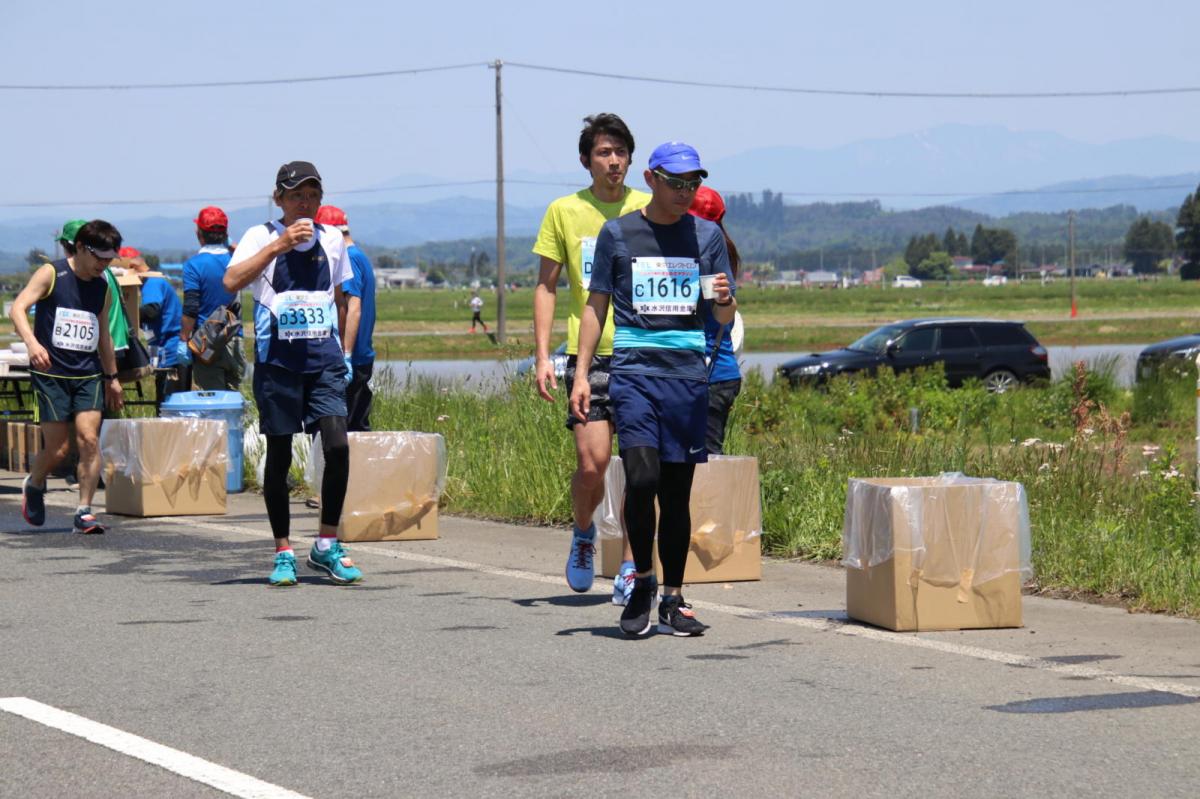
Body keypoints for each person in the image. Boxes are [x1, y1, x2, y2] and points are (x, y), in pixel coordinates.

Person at [571, 141, 737, 637]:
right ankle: (642, 579)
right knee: (641, 480)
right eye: (676, 183)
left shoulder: (706, 237)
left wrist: (725, 302)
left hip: (686, 378)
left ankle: (674, 598)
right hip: (634, 375)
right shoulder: (618, 234)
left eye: (693, 184)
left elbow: (722, 316)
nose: (686, 192)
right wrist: (581, 374)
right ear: (651, 178)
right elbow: (595, 306)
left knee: (677, 493)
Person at [223, 161, 361, 587]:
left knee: (337, 447)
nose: (306, 202)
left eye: (314, 195)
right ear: (279, 198)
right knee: (279, 455)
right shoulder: (258, 236)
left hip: (323, 361)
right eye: (298, 194)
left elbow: (340, 296)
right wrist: (278, 246)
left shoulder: (333, 239)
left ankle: (325, 544)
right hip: (277, 363)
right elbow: (232, 280)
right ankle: (283, 549)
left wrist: (345, 350)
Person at [532, 113, 649, 602]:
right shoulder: (564, 210)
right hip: (589, 355)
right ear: (586, 161)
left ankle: (630, 564)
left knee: (645, 469)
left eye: (621, 152)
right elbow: (546, 285)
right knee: (593, 464)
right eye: (604, 152)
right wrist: (543, 356)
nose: (614, 161)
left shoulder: (648, 206)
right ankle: (584, 533)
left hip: (645, 352)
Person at [12, 220, 125, 534]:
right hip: (51, 372)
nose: (104, 265)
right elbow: (18, 309)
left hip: (87, 373)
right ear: (80, 248)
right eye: (99, 258)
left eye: (109, 260)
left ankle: (84, 510)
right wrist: (32, 345)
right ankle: (34, 483)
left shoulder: (102, 285)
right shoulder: (52, 273)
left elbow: (103, 335)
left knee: (89, 439)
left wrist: (112, 376)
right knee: (59, 449)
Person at [688, 187, 743, 454]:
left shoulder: (706, 259)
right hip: (721, 371)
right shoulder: (727, 253)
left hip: (707, 373)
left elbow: (715, 310)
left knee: (703, 462)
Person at [316, 205, 375, 431]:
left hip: (352, 356)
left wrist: (346, 353)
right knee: (357, 425)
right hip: (363, 353)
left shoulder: (348, 258)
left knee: (345, 430)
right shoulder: (360, 256)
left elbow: (354, 308)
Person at [178, 206, 244, 391]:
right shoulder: (237, 260)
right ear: (226, 234)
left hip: (206, 343)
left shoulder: (193, 266)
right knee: (234, 403)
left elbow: (191, 307)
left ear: (199, 234)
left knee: (210, 405)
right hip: (234, 339)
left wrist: (183, 339)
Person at [123, 247, 185, 402]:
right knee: (164, 394)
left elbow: (152, 310)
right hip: (163, 348)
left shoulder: (152, 282)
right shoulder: (152, 282)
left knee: (167, 400)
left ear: (133, 269)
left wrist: (126, 316)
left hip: (169, 350)